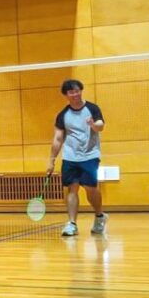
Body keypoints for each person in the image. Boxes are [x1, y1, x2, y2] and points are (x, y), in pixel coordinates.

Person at [48, 79, 107, 237]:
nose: (75, 94)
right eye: (71, 92)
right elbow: (58, 138)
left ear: (81, 90)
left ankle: (100, 216)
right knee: (71, 189)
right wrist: (52, 159)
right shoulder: (63, 115)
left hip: (90, 154)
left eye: (77, 90)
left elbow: (101, 125)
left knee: (90, 188)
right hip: (70, 156)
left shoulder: (92, 108)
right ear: (66, 95)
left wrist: (93, 125)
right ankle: (72, 224)